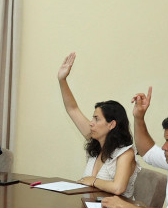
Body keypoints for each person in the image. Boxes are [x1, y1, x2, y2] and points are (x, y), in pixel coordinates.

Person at [57, 53, 139, 197]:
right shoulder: (96, 143)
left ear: (111, 124)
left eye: (96, 119)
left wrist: (92, 180)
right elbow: (72, 109)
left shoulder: (126, 153)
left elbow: (118, 188)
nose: (91, 123)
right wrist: (62, 80)